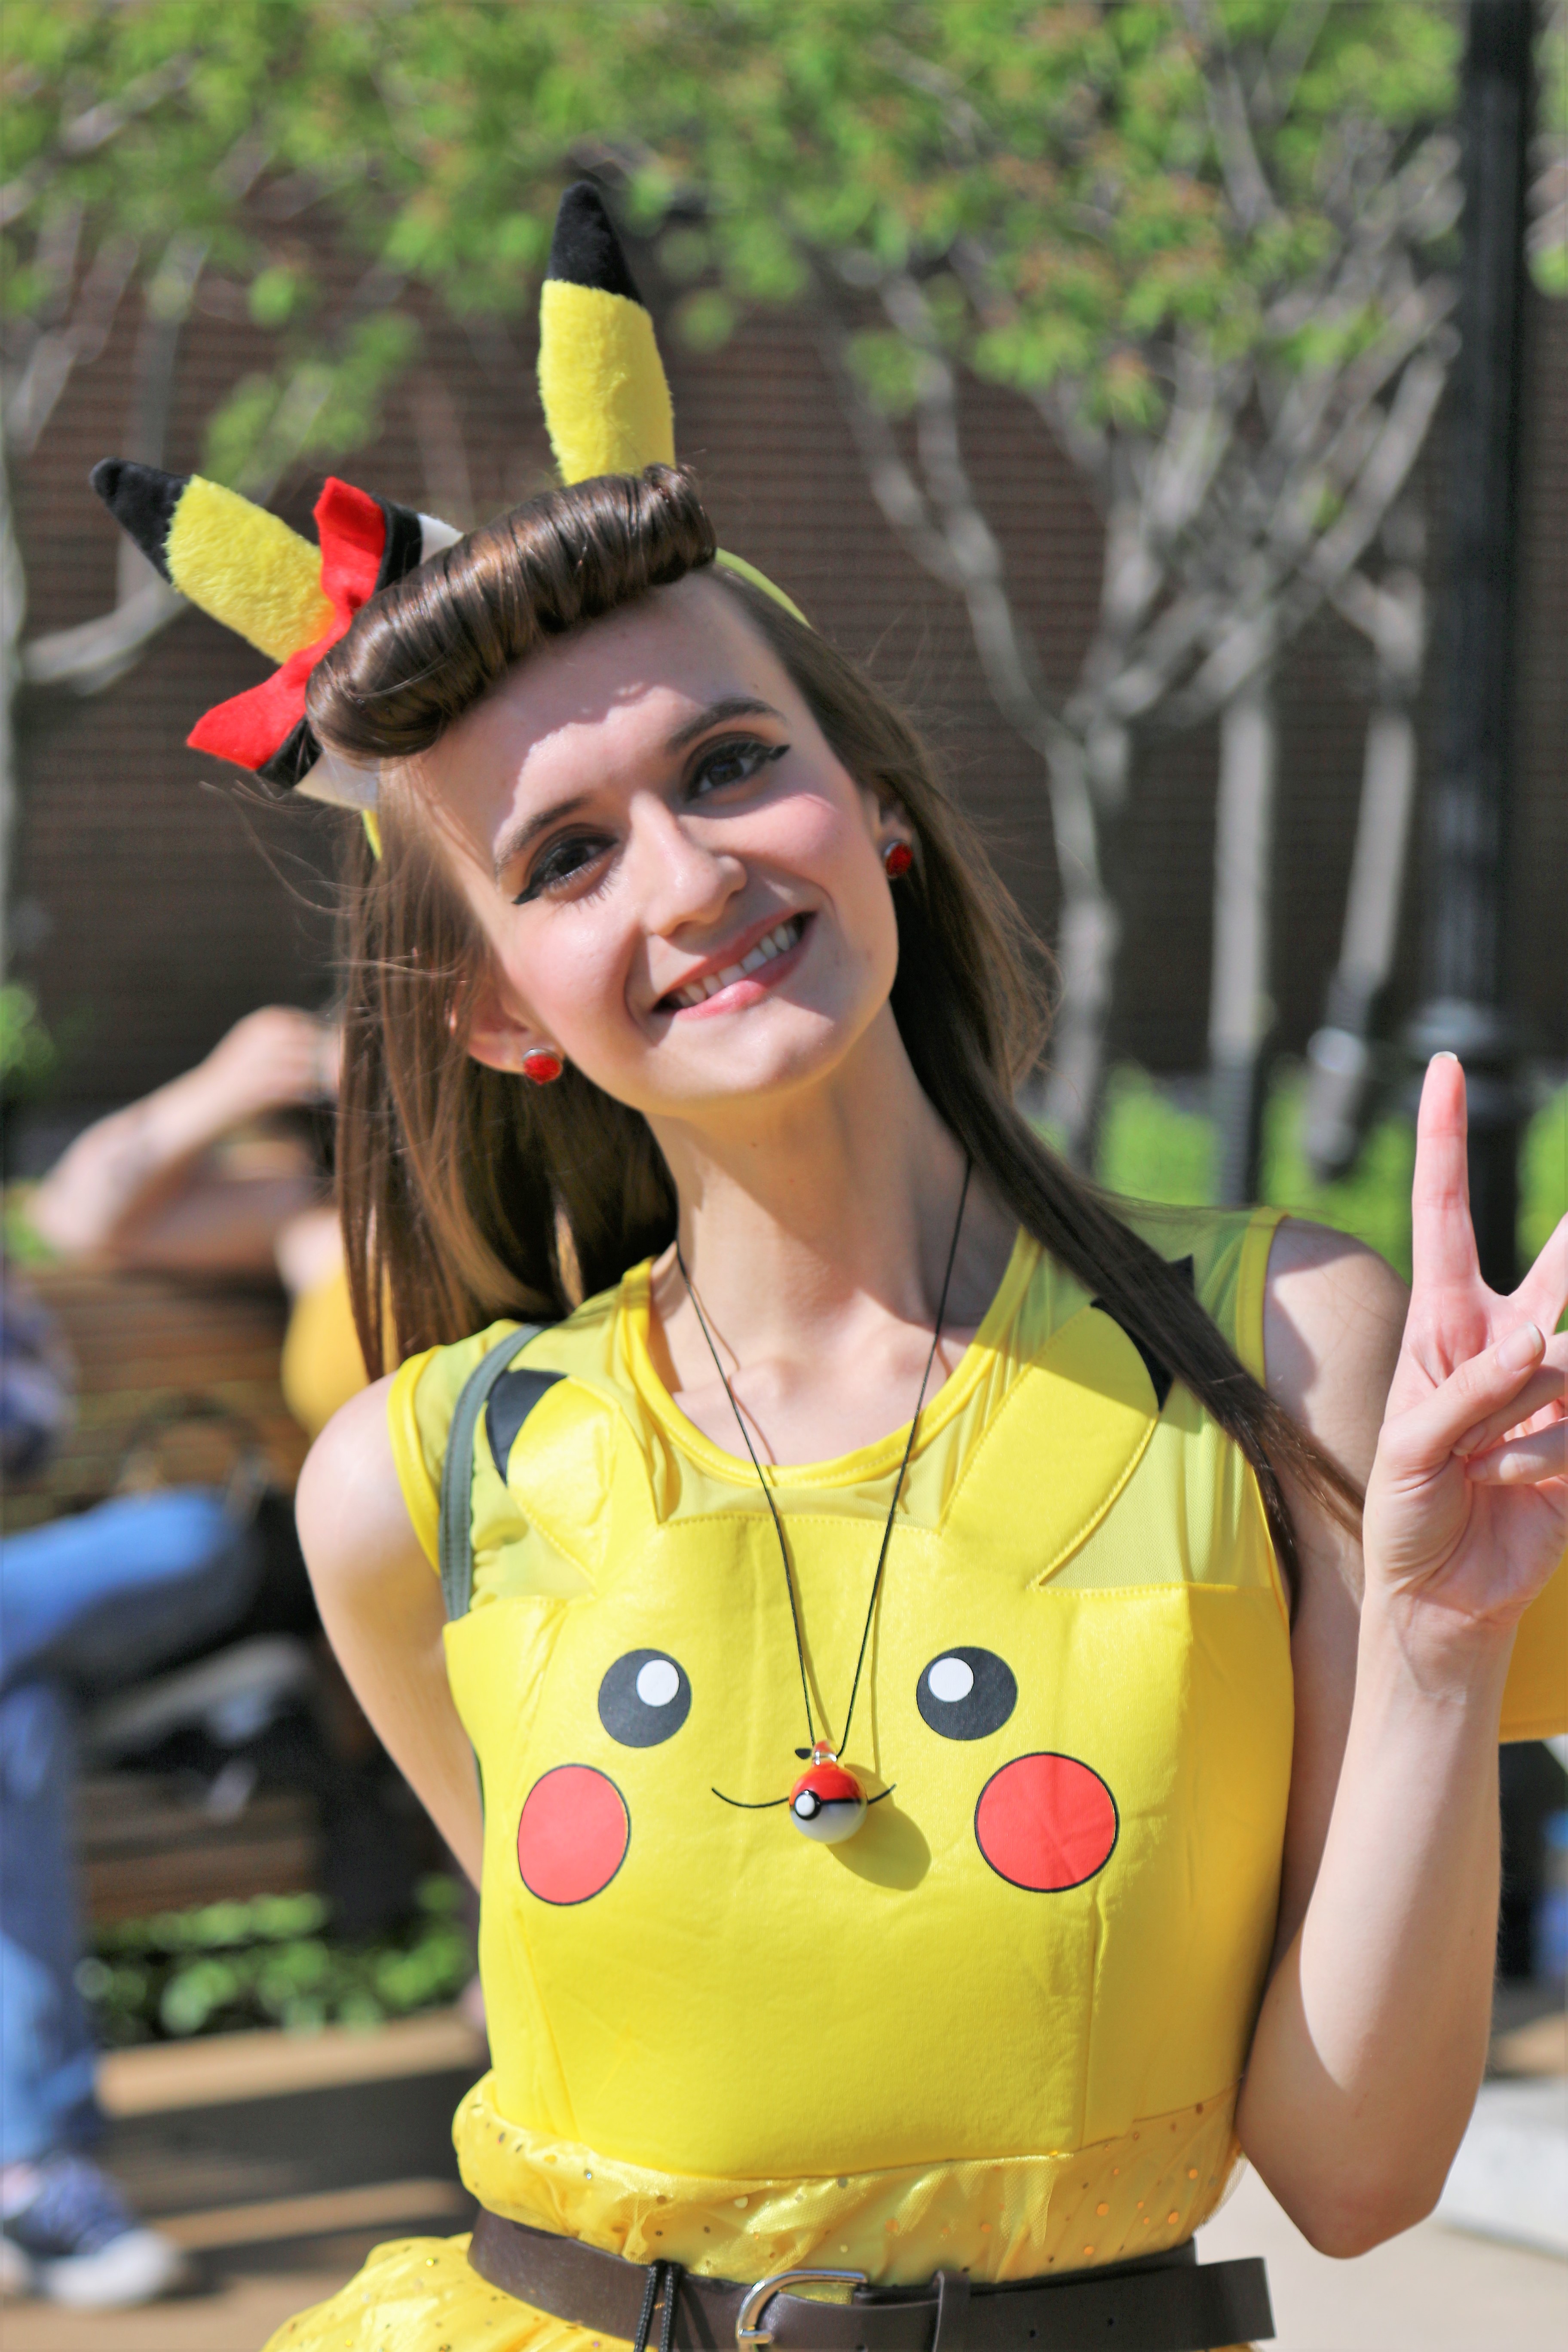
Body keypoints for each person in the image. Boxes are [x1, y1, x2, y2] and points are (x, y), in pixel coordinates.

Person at [89, 190, 1565, 2352]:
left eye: (730, 763)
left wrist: (1437, 1645)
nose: (688, 877)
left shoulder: (1280, 1354)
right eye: (564, 857)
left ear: (872, 803)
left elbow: (1353, 2184)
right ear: (494, 1006)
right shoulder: (416, 1490)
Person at [0, 1010, 366, 2309]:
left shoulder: (389, 1201)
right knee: (15, 1722)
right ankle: (33, 2171)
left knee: (188, 1536)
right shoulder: (295, 1211)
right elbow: (88, 1210)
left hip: (83, 1578)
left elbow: (26, 1426)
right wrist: (217, 1089)